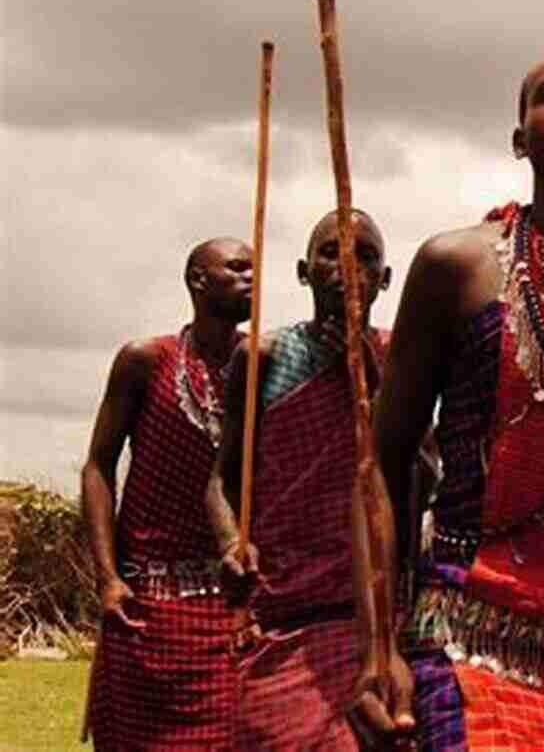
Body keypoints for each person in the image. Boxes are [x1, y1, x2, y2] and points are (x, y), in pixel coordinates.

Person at [348, 42, 544, 751]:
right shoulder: (457, 268)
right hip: (476, 654)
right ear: (521, 138)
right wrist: (379, 647)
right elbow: (381, 464)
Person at [207, 209, 391, 751]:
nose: (347, 268)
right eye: (331, 253)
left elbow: (420, 473)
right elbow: (221, 479)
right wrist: (230, 541)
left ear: (385, 279)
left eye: (365, 256)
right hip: (286, 610)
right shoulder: (264, 355)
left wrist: (372, 375)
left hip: (376, 615)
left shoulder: (399, 353)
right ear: (302, 271)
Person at [82, 237, 253, 750]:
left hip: (231, 603)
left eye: (256, 270)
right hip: (146, 605)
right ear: (198, 280)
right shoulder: (145, 360)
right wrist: (108, 579)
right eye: (238, 268)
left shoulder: (263, 361)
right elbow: (98, 467)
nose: (252, 279)